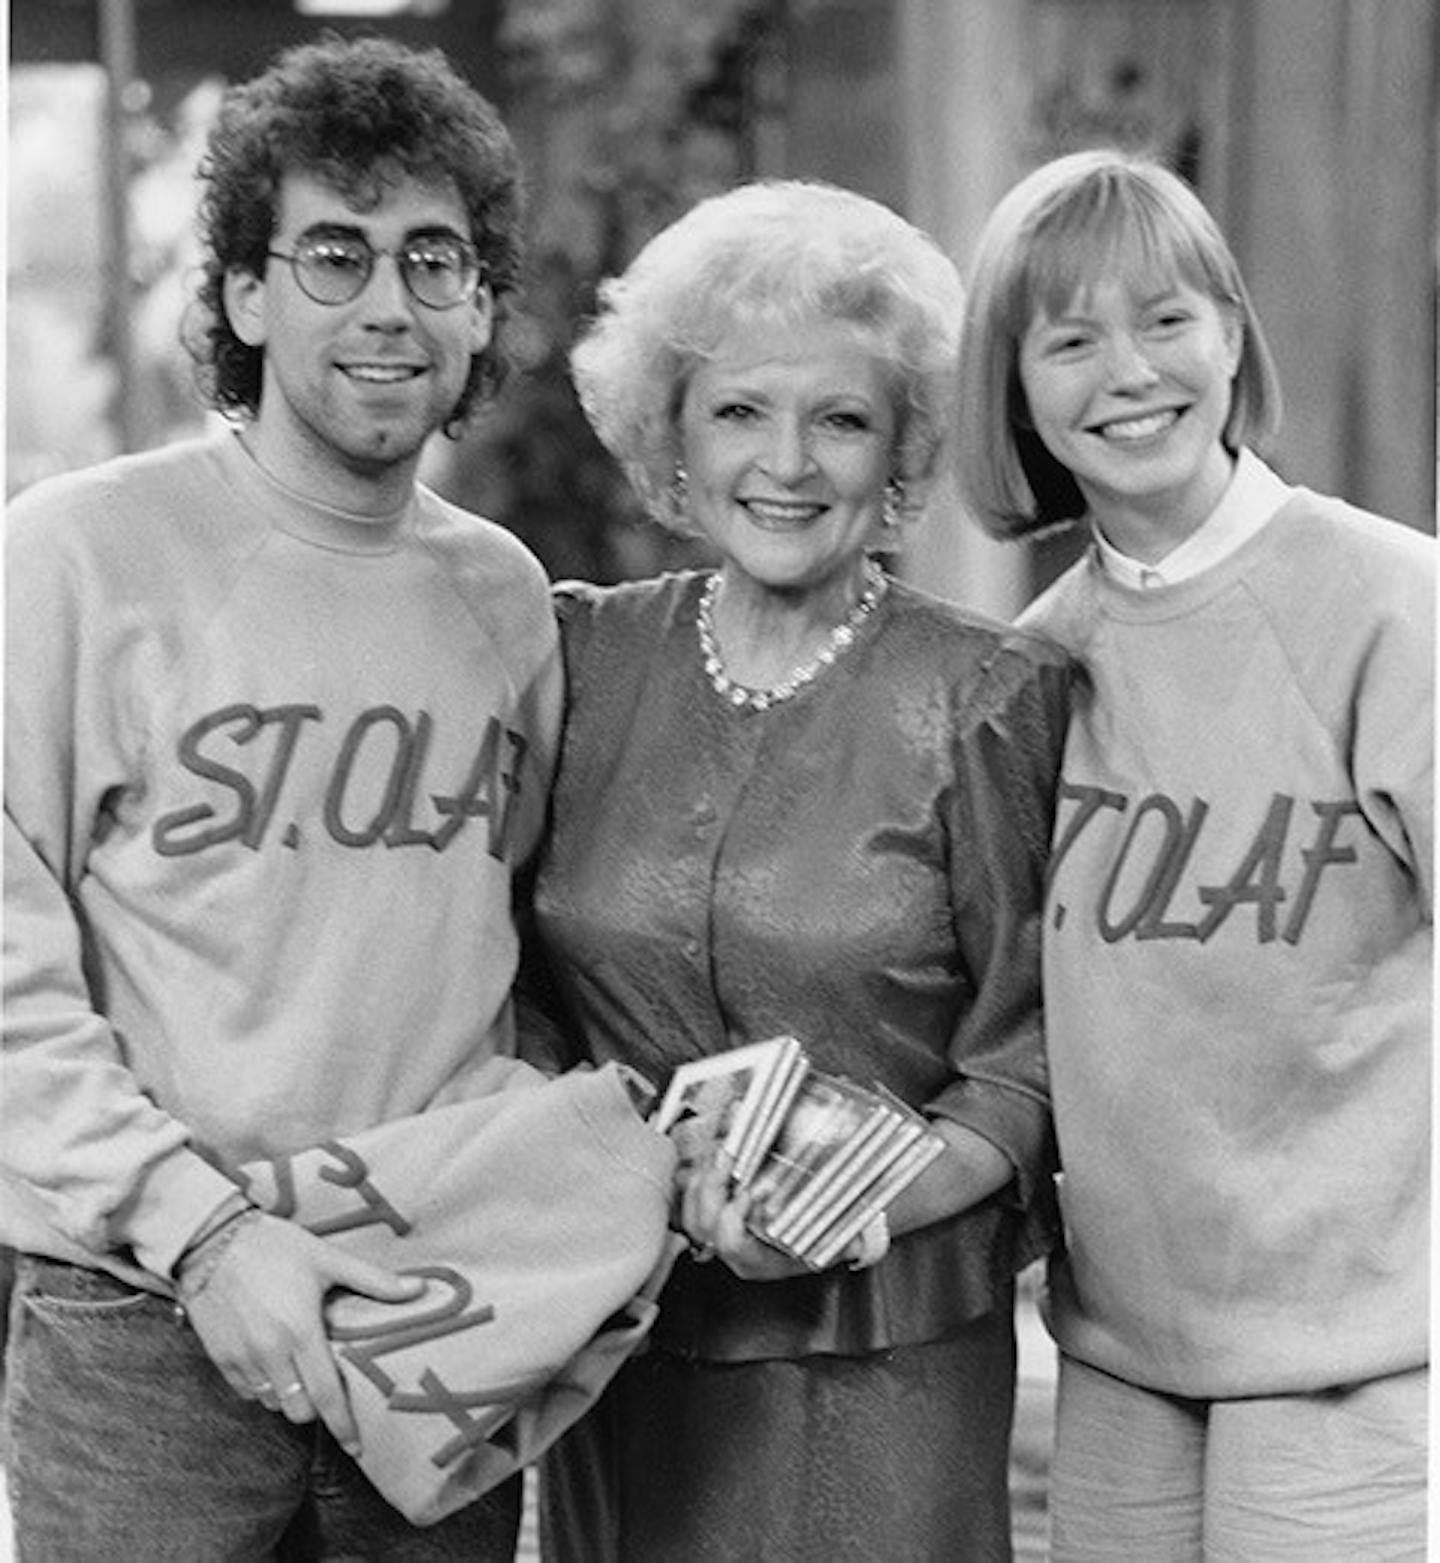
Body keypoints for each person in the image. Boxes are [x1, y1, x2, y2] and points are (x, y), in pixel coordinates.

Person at [3, 35, 562, 1559]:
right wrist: (207, 1232)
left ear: (480, 307)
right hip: (143, 1334)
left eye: (432, 259)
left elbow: (510, 952)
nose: (389, 304)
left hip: (428, 1315)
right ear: (246, 296)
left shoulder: (506, 600)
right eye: (335, 254)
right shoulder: (72, 556)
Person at [523, 179, 1072, 1562]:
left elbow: (1033, 1052)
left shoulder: (987, 695)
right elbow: (519, 990)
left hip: (882, 1364)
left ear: (900, 453)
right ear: (673, 441)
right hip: (620, 1348)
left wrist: (860, 1204)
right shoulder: (579, 657)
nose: (788, 462)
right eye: (740, 411)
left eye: (839, 418)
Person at [955, 147, 1432, 1561]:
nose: (1130, 372)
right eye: (1072, 339)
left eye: (1167, 320)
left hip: (1354, 1349)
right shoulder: (1035, 667)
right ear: (1020, 389)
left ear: (1232, 334)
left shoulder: (1389, 608)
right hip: (1118, 1358)